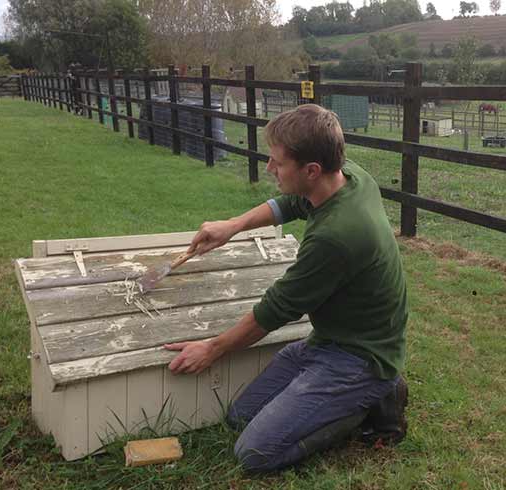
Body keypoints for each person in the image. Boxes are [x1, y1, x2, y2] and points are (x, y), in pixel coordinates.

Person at [163, 104, 409, 472]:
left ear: (311, 170)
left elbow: (274, 311)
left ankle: (371, 404)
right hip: (328, 341)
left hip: (360, 357)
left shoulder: (336, 237)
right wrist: (232, 225)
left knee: (254, 453)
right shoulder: (345, 176)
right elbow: (293, 202)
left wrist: (212, 349)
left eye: (277, 163)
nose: (268, 168)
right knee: (239, 418)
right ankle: (359, 394)